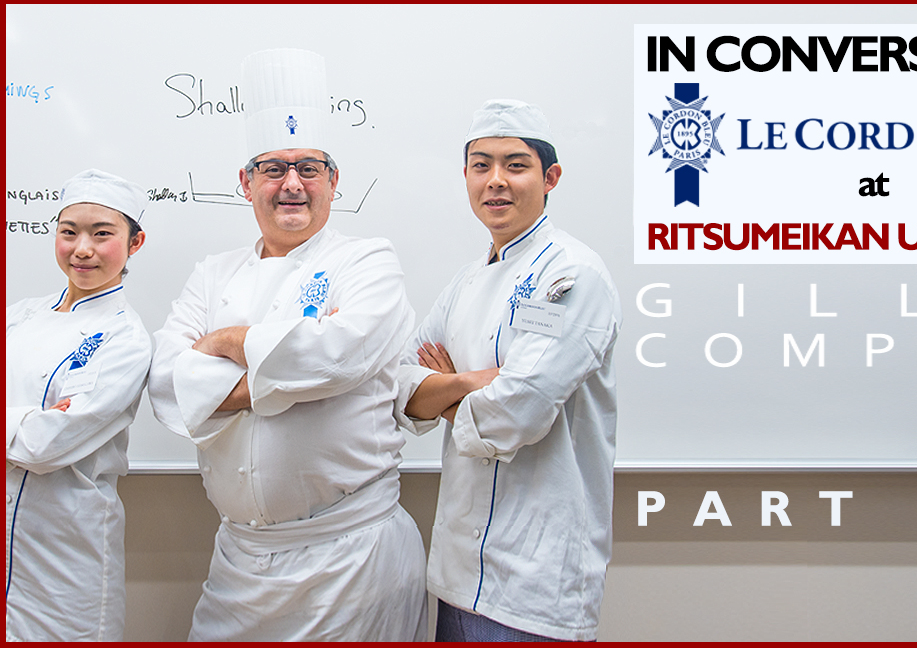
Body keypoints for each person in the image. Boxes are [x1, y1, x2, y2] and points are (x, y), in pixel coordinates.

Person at [147, 48, 426, 641]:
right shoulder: (212, 273)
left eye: (309, 168)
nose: (291, 184)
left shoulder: (368, 260)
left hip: (351, 558)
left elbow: (340, 355)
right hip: (239, 564)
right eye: (272, 168)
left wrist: (226, 343)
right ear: (246, 183)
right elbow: (169, 381)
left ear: (334, 180)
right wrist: (284, 374)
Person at [398, 99, 622, 641]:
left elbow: (514, 414)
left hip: (536, 581)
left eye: (515, 165)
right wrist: (475, 383)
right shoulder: (466, 281)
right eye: (481, 165)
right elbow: (400, 384)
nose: (495, 180)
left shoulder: (572, 274)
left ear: (550, 178)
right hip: (456, 571)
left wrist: (446, 389)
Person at [6, 169, 151, 641]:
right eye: (69, 232)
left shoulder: (125, 339)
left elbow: (41, 447)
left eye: (102, 234)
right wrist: (29, 418)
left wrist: (32, 426)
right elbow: (31, 431)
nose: (81, 249)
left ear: (135, 243)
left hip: (63, 547)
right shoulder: (19, 316)